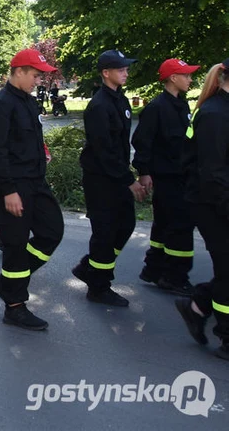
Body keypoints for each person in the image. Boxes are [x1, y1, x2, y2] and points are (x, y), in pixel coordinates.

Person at [0, 48, 65, 331]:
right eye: (34, 74)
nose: (38, 80)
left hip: (36, 183)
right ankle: (15, 306)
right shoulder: (1, 104)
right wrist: (8, 191)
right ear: (18, 72)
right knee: (15, 246)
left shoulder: (29, 103)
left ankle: (8, 283)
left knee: (53, 231)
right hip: (14, 186)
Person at [72, 50, 148, 307]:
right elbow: (105, 150)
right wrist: (129, 180)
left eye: (126, 68)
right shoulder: (99, 105)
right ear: (106, 73)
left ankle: (90, 267)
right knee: (105, 232)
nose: (126, 72)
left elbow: (121, 147)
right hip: (101, 179)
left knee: (125, 225)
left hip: (117, 176)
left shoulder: (121, 101)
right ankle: (99, 286)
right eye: (121, 69)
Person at [133, 58, 200, 296]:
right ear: (173, 78)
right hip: (167, 176)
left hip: (180, 174)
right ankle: (175, 276)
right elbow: (142, 141)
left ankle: (154, 269)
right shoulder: (157, 108)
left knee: (164, 223)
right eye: (187, 75)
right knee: (180, 224)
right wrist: (144, 172)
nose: (191, 79)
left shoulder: (181, 106)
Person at [175, 61, 229, 361]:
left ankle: (197, 306)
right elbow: (212, 173)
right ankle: (226, 336)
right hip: (212, 203)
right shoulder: (215, 114)